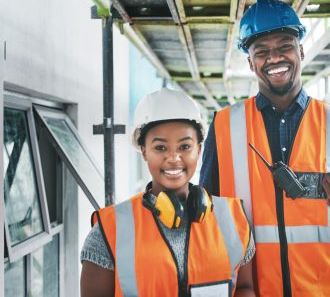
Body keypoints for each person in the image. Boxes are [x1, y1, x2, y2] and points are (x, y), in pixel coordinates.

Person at [199, 0, 330, 296]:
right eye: (262, 51)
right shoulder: (224, 125)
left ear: (301, 50)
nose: (274, 58)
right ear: (250, 62)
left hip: (323, 290)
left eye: (284, 46)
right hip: (250, 290)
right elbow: (206, 216)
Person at [80, 88, 256, 297]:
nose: (173, 158)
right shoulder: (109, 230)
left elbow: (245, 288)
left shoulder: (234, 219)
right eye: (160, 148)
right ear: (144, 151)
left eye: (185, 146)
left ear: (199, 150)